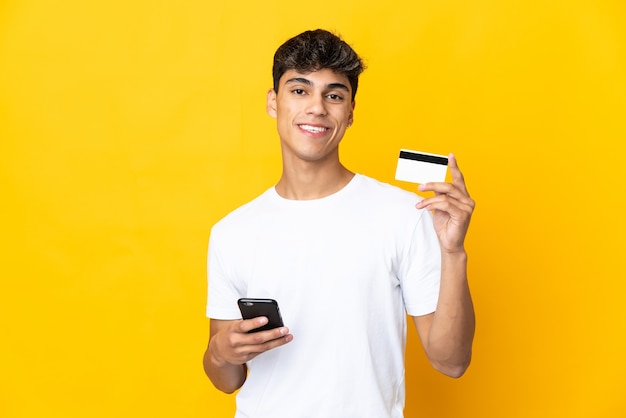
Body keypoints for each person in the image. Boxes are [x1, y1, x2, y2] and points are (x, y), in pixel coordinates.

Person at [203, 29, 475, 418]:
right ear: (272, 102)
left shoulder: (404, 214)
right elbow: (226, 379)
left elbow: (451, 362)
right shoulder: (232, 232)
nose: (316, 108)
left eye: (333, 95)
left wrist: (454, 252)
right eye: (299, 90)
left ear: (349, 113)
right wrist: (220, 352)